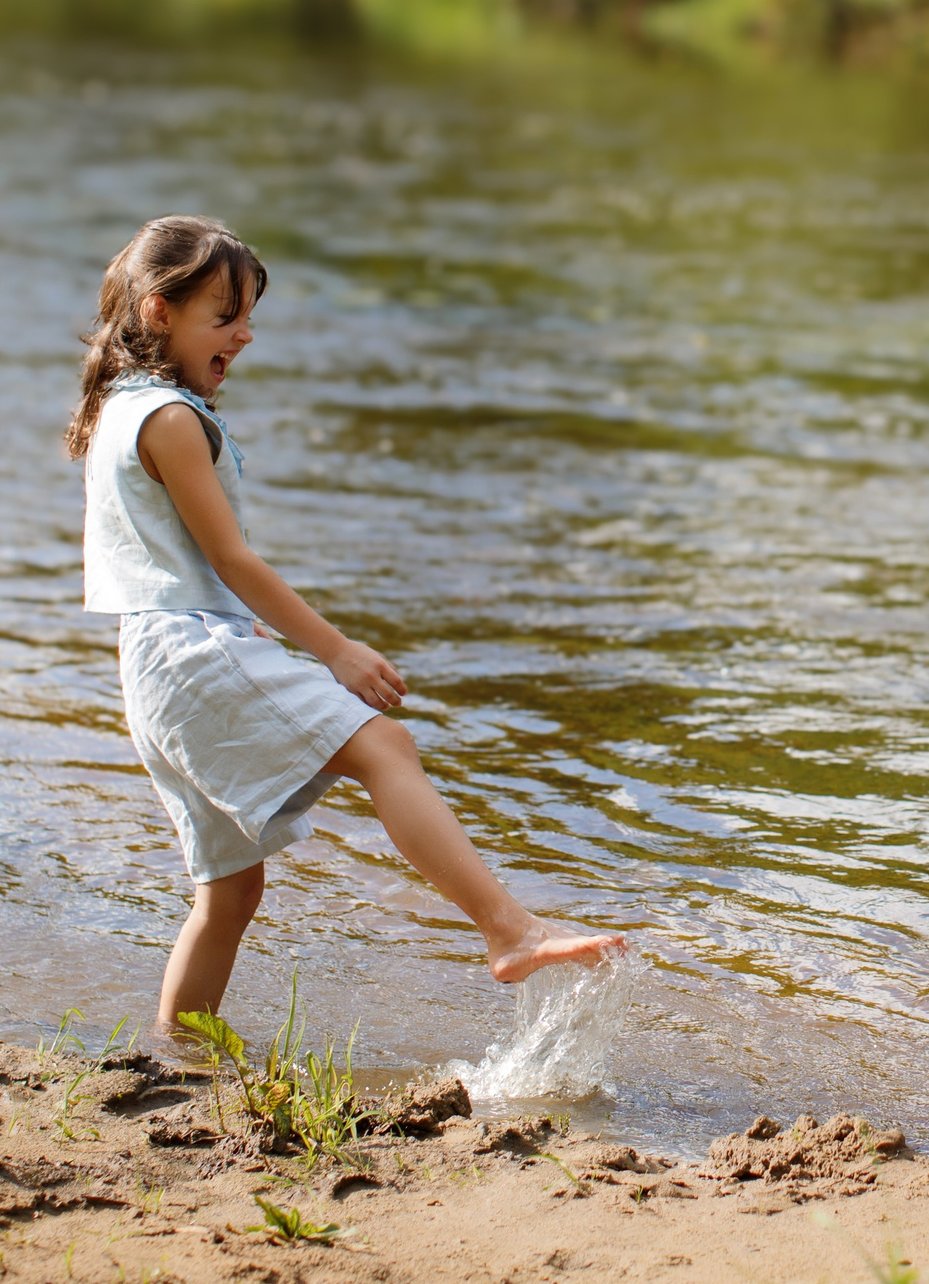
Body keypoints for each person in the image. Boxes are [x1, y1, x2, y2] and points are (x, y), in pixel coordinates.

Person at [69, 215, 623, 1035]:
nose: (245, 336)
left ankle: (177, 1054)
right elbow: (231, 560)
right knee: (385, 746)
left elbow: (171, 562)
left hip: (155, 665)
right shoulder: (173, 420)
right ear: (159, 312)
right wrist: (335, 651)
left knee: (229, 891)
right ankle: (509, 931)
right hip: (187, 652)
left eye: (247, 317)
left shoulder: (122, 405)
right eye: (224, 317)